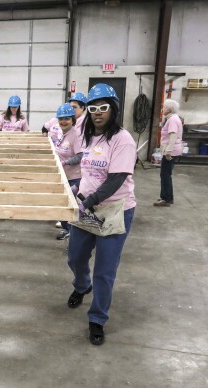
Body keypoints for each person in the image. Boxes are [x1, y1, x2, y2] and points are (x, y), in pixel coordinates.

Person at [66, 83, 136, 346]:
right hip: (86, 205)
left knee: (105, 271)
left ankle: (97, 318)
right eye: (93, 108)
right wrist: (76, 187)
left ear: (113, 109)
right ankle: (82, 285)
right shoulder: (86, 135)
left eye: (103, 107)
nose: (98, 112)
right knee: (75, 257)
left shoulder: (122, 140)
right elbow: (89, 169)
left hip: (114, 211)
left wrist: (89, 201)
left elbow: (116, 179)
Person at [49, 103, 82, 240]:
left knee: (71, 204)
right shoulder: (62, 133)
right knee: (62, 202)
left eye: (67, 118)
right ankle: (65, 228)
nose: (63, 121)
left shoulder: (76, 135)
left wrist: (65, 162)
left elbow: (81, 156)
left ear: (72, 120)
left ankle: (73, 231)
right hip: (62, 175)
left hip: (74, 176)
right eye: (61, 118)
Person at [154, 99, 183, 207]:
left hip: (171, 152)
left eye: (165, 107)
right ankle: (167, 197)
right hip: (171, 151)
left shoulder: (173, 120)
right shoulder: (172, 118)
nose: (163, 109)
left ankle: (166, 199)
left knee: (165, 175)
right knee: (166, 175)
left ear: (170, 109)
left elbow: (173, 136)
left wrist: (168, 152)